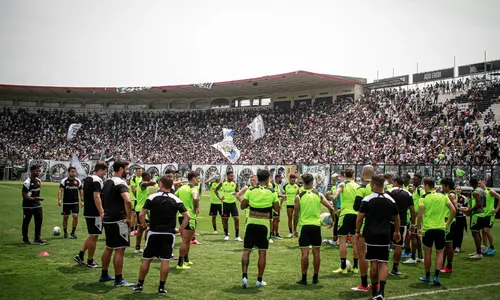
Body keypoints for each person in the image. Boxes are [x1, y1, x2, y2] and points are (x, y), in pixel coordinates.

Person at [133, 176, 190, 295]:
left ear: (162, 185)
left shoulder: (152, 197)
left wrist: (145, 226)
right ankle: (161, 288)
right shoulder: (176, 199)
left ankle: (139, 285)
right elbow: (187, 216)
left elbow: (142, 214)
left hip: (154, 233)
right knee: (165, 260)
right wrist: (179, 229)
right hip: (168, 234)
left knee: (146, 259)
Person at [357, 174, 400, 299]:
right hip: (385, 235)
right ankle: (381, 291)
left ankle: (374, 290)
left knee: (373, 263)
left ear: (375, 185)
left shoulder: (367, 199)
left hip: (370, 235)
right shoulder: (391, 200)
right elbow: (396, 218)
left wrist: (357, 230)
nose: (370, 186)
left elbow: (359, 218)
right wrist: (397, 231)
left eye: (371, 184)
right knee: (384, 262)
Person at [240, 169, 279, 288]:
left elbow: (242, 206)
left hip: (251, 223)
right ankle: (259, 280)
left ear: (257, 178)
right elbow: (277, 209)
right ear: (268, 179)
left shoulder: (250, 190)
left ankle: (245, 277)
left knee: (246, 251)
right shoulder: (272, 192)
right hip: (264, 226)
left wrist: (251, 203)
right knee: (262, 253)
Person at [293, 174, 334, 285]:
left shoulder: (299, 197)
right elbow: (330, 207)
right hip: (316, 227)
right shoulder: (319, 195)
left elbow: (295, 215)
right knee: (316, 253)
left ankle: (304, 278)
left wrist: (294, 229)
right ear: (312, 182)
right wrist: (333, 220)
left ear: (302, 182)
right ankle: (315, 277)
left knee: (305, 254)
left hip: (304, 227)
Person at [99, 161, 135, 287]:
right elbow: (128, 201)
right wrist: (129, 217)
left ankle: (104, 275)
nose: (127, 171)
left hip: (108, 218)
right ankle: (119, 280)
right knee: (119, 250)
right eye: (126, 169)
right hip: (119, 220)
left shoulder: (106, 182)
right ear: (120, 169)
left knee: (109, 247)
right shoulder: (120, 182)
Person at [417, 177, 456, 286]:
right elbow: (453, 210)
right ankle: (436, 276)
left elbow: (419, 215)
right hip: (440, 229)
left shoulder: (423, 198)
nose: (424, 188)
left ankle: (427, 276)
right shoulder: (443, 196)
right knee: (440, 253)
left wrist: (418, 228)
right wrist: (447, 223)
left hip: (428, 229)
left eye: (424, 186)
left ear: (428, 186)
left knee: (427, 253)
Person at [74, 162, 107, 268]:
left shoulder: (88, 178)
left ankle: (80, 255)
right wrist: (101, 211)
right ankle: (90, 261)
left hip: (89, 211)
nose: (104, 175)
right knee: (94, 236)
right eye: (104, 172)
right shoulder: (97, 180)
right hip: (95, 212)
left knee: (92, 234)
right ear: (100, 170)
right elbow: (96, 196)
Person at [330, 168, 360, 275]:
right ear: (353, 174)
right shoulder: (358, 186)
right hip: (357, 215)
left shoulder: (342, 184)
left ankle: (343, 267)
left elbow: (335, 196)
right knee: (355, 241)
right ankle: (356, 267)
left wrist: (335, 210)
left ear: (343, 175)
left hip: (345, 214)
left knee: (342, 240)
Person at [351, 165, 374, 293]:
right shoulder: (382, 188)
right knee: (377, 257)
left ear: (363, 173)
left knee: (363, 255)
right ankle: (376, 285)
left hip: (366, 226)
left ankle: (364, 284)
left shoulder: (362, 188)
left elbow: (356, 207)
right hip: (381, 226)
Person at [387, 176, 415, 276]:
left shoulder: (389, 191)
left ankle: (383, 265)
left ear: (395, 182)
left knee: (385, 243)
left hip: (388, 221)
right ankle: (395, 267)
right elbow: (412, 210)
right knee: (398, 245)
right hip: (402, 223)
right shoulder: (408, 194)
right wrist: (413, 223)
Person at [175, 171, 200, 270]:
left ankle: (186, 259)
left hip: (181, 215)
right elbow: (195, 198)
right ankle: (180, 263)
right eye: (198, 178)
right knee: (185, 241)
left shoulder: (182, 188)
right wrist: (195, 207)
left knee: (187, 240)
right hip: (189, 216)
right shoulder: (193, 188)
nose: (198, 180)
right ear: (193, 178)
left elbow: (175, 196)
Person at [404, 173, 425, 264]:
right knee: (416, 236)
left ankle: (413, 257)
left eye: (415, 179)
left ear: (420, 180)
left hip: (416, 216)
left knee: (413, 235)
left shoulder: (420, 190)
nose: (413, 181)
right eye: (413, 179)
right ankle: (420, 256)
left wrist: (418, 212)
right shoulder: (416, 190)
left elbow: (423, 200)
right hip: (414, 215)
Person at [215, 171, 243, 242]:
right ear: (227, 176)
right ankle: (226, 235)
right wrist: (220, 198)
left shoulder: (235, 183)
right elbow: (215, 190)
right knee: (225, 220)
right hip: (225, 204)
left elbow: (238, 192)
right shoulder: (223, 183)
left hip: (233, 204)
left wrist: (236, 193)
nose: (232, 177)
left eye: (232, 176)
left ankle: (237, 236)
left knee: (236, 219)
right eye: (231, 176)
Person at [21, 165, 46, 245]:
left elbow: (37, 192)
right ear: (31, 171)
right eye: (36, 171)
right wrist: (33, 199)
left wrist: (37, 199)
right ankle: (25, 239)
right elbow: (24, 195)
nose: (38, 172)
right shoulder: (27, 182)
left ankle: (37, 238)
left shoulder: (38, 181)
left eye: (39, 171)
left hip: (37, 205)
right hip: (28, 206)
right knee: (26, 222)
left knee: (39, 221)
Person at [133, 172, 156, 253]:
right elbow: (152, 183)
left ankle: (137, 247)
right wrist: (153, 180)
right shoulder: (142, 184)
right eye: (149, 176)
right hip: (143, 210)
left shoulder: (142, 184)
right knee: (147, 228)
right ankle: (147, 247)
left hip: (139, 209)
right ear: (145, 177)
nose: (150, 177)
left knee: (141, 229)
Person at [464, 178, 487, 259]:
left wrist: (469, 210)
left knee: (475, 233)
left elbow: (479, 204)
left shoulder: (475, 192)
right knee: (477, 233)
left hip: (476, 215)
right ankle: (478, 251)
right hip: (481, 214)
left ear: (470, 184)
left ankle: (479, 253)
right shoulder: (481, 190)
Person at [58, 166, 83, 239]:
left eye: (74, 172)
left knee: (75, 217)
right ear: (69, 172)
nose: (73, 173)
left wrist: (82, 201)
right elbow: (60, 190)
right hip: (66, 203)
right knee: (65, 217)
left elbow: (81, 191)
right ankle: (65, 232)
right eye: (72, 172)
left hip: (75, 203)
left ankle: (73, 232)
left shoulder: (78, 181)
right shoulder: (64, 181)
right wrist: (59, 200)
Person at [440, 178, 458, 273]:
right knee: (444, 245)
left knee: (448, 245)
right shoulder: (448, 194)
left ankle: (449, 266)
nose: (442, 187)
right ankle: (442, 264)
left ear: (447, 185)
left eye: (443, 185)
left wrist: (448, 222)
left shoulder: (451, 194)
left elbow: (455, 209)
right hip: (446, 222)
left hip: (449, 223)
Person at [479, 179, 500, 256]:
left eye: (480, 183)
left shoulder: (490, 191)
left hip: (490, 215)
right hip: (483, 214)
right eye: (478, 184)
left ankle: (492, 247)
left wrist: (497, 209)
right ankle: (484, 248)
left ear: (484, 183)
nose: (479, 185)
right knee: (483, 232)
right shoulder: (480, 193)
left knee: (487, 231)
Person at [453, 185, 468, 253]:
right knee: (453, 232)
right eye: (457, 189)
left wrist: (460, 208)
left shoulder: (464, 198)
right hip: (453, 217)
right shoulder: (451, 197)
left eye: (459, 189)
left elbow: (467, 208)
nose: (458, 190)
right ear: (454, 190)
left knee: (460, 233)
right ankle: (453, 246)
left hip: (461, 217)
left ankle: (458, 247)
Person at [129, 167, 144, 236]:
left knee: (137, 214)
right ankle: (132, 229)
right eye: (139, 171)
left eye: (141, 171)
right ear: (136, 172)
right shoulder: (133, 179)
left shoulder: (142, 178)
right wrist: (138, 197)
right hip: (134, 199)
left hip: (139, 199)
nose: (140, 172)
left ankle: (136, 228)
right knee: (133, 214)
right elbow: (133, 189)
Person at [270, 174, 284, 240]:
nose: (281, 180)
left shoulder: (277, 186)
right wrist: (282, 196)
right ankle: (276, 234)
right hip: (274, 205)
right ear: (277, 178)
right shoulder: (274, 185)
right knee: (276, 219)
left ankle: (272, 233)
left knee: (275, 219)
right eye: (280, 178)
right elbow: (274, 195)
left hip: (276, 204)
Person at [402, 174, 412, 259]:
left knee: (407, 234)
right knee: (405, 234)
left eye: (404, 177)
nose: (403, 178)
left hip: (408, 215)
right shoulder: (403, 187)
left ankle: (408, 250)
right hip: (405, 214)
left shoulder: (410, 188)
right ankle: (407, 249)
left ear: (408, 179)